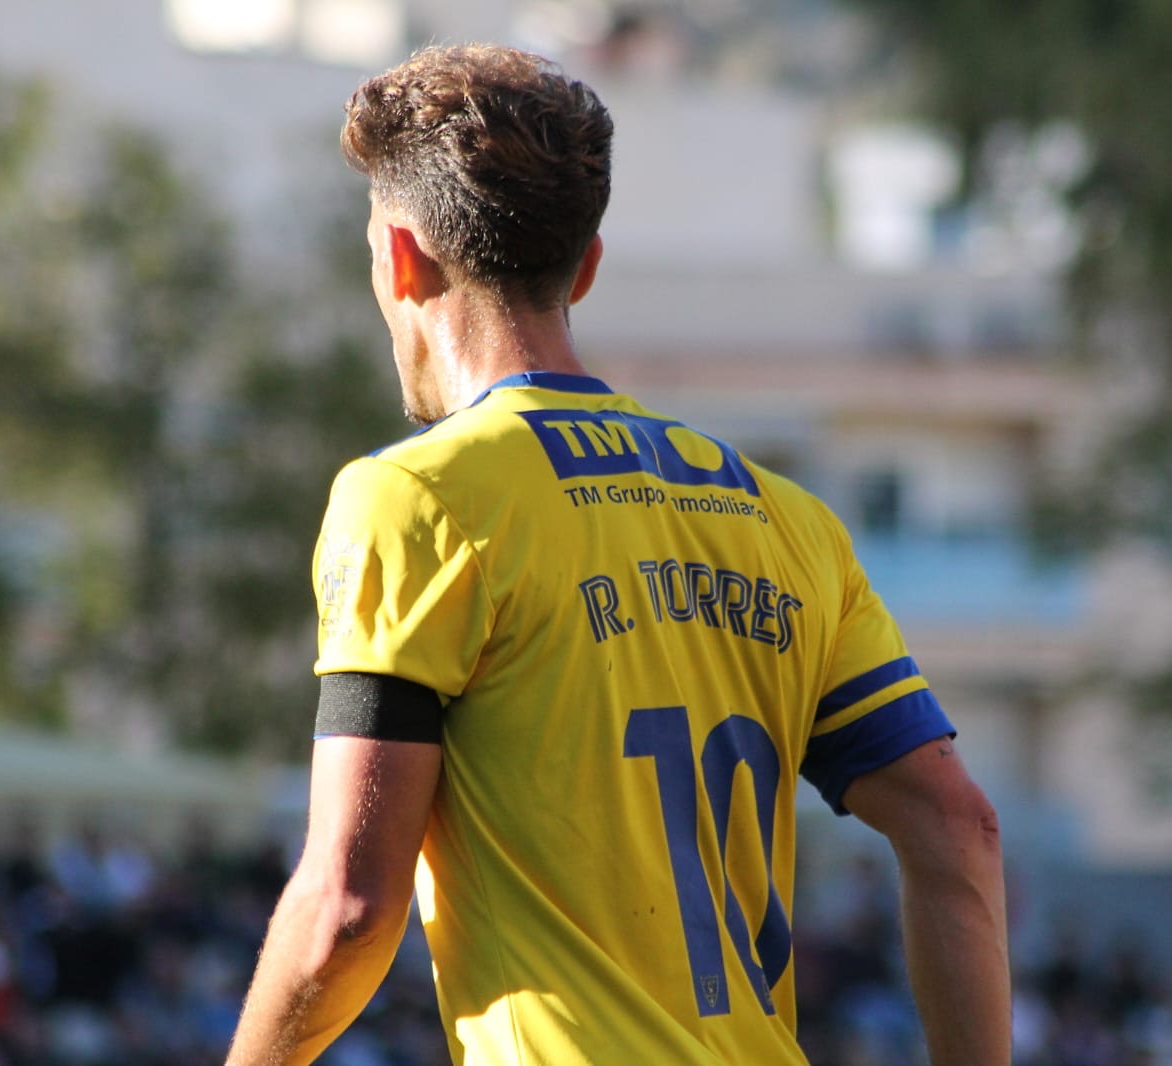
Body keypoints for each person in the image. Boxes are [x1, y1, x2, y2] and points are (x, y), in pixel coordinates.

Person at [228, 44, 1009, 1066]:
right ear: (586, 268)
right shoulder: (786, 519)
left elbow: (346, 908)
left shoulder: (417, 496)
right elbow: (959, 830)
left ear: (401, 259)